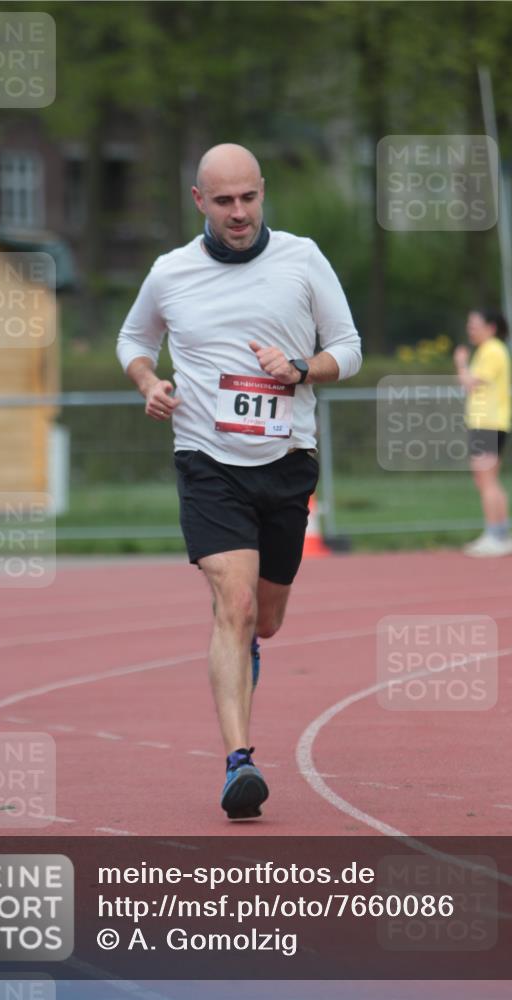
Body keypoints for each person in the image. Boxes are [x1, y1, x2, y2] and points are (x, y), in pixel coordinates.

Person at [117, 143, 361, 819]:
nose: (237, 213)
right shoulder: (171, 273)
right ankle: (238, 765)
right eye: (222, 201)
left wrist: (301, 369)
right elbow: (132, 339)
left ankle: (248, 635)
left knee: (267, 617)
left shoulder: (302, 259)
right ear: (199, 201)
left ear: (262, 193)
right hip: (206, 460)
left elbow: (349, 348)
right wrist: (149, 381)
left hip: (286, 462)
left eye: (247, 198)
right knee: (234, 602)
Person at [453, 309, 512, 557]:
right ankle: (502, 533)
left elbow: (470, 383)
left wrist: (460, 362)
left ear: (491, 327)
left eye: (475, 324)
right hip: (490, 422)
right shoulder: (491, 350)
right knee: (488, 480)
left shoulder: (492, 350)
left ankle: (495, 535)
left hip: (488, 423)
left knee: (486, 481)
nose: (470, 329)